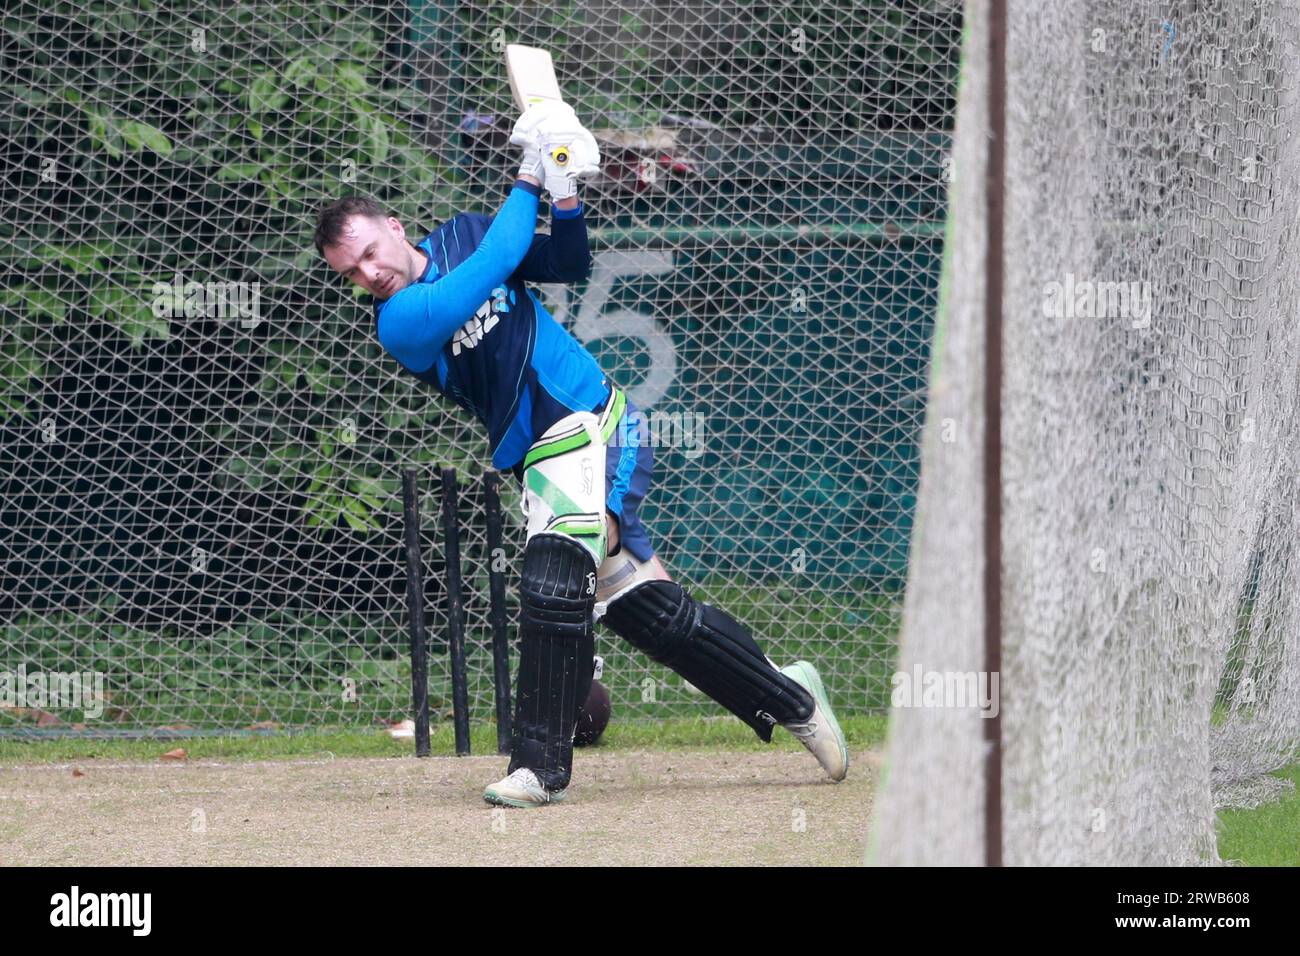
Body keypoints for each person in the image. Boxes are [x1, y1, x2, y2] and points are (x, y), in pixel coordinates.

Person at [313, 101, 847, 807]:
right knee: (638, 606)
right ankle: (790, 695)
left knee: (554, 570)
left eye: (370, 252)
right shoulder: (400, 323)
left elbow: (564, 261)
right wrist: (532, 173)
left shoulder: (468, 232)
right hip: (540, 455)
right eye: (352, 272)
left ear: (393, 227)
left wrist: (562, 192)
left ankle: (539, 766)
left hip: (592, 421)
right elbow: (494, 265)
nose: (369, 274)